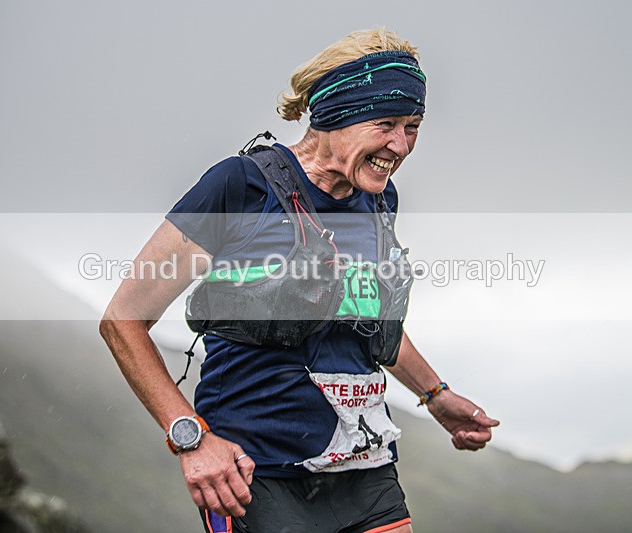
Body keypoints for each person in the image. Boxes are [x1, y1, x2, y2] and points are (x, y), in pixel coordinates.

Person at [100, 28, 499, 533]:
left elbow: (363, 318)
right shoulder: (241, 187)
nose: (400, 145)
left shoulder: (379, 200)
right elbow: (123, 320)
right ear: (335, 114)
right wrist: (193, 439)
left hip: (364, 469)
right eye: (385, 124)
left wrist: (435, 394)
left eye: (413, 126)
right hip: (255, 474)